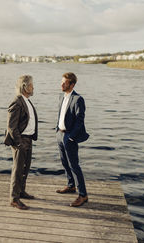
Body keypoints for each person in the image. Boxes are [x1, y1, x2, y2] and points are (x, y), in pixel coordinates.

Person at [4, 75, 38, 210]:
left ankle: (21, 192)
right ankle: (14, 199)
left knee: (25, 168)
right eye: (31, 85)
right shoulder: (17, 102)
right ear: (25, 87)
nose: (33, 87)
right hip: (21, 140)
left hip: (28, 139)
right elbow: (11, 126)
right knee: (18, 170)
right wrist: (19, 143)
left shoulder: (27, 100)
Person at [56, 72, 89, 207]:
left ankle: (83, 195)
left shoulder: (78, 99)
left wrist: (71, 137)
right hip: (60, 134)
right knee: (64, 162)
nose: (62, 84)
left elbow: (80, 121)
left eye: (65, 82)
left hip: (69, 137)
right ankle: (71, 185)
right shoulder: (61, 96)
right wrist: (57, 131)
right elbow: (61, 114)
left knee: (74, 165)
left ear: (72, 84)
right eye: (62, 81)